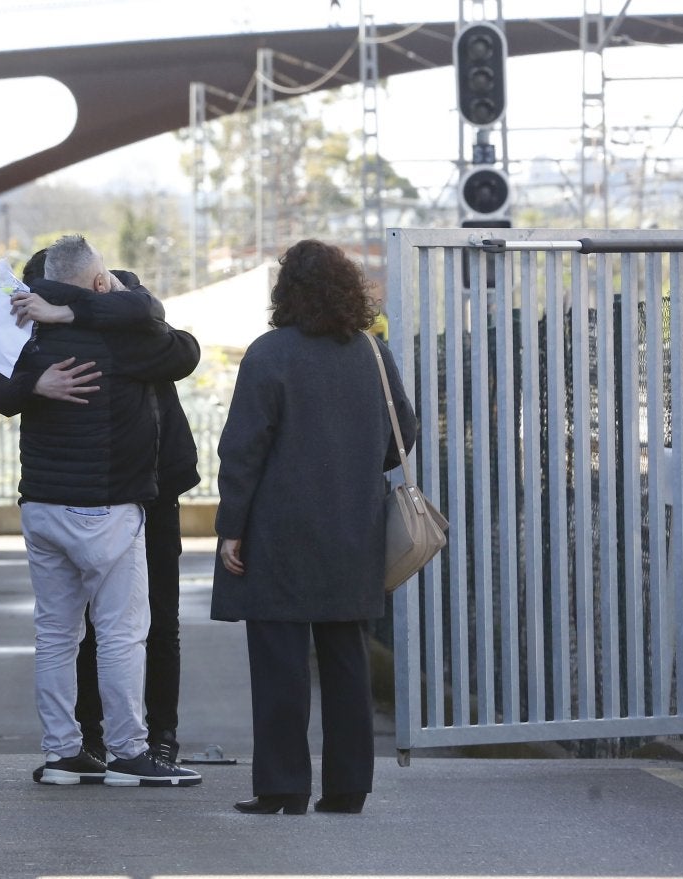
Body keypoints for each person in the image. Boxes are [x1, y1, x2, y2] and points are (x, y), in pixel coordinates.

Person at [211, 239, 416, 815]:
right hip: (354, 526)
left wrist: (232, 526)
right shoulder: (372, 354)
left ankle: (283, 789)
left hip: (278, 529)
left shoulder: (269, 354)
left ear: (287, 294)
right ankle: (349, 789)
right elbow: (403, 434)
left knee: (280, 662)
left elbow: (243, 450)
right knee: (347, 661)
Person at [1, 234, 203, 787]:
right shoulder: (124, 340)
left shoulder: (26, 330)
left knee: (56, 634)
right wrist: (114, 297)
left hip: (42, 504)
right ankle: (130, 752)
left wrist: (30, 383)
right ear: (97, 283)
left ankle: (65, 752)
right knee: (123, 633)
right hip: (110, 504)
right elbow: (181, 345)